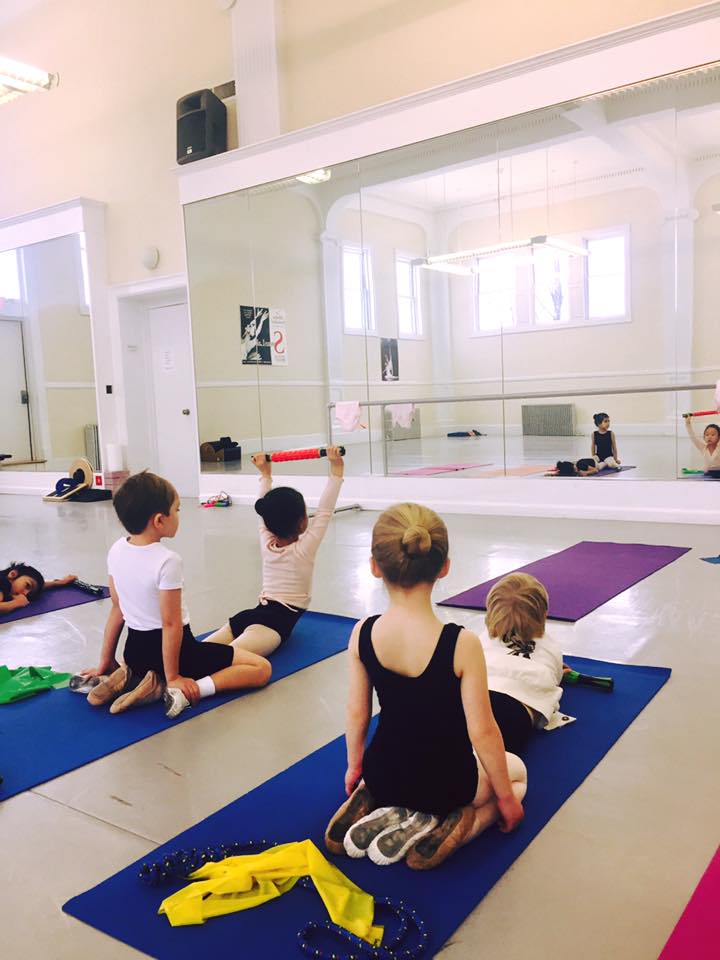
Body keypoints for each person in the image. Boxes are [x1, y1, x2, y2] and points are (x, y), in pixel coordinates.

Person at [325, 503, 526, 871]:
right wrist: (506, 800)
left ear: (374, 567)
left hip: (382, 774)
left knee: (389, 771)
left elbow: (357, 712)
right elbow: (483, 731)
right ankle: (463, 823)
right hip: (447, 785)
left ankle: (369, 799)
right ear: (444, 567)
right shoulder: (461, 644)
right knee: (518, 774)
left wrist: (355, 768)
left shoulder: (362, 633)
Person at [80, 471, 271, 718]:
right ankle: (177, 688)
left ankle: (134, 674)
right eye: (177, 510)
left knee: (193, 654)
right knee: (261, 668)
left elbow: (117, 608)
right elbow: (171, 624)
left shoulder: (116, 549)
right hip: (179, 656)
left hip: (134, 652)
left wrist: (105, 660)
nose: (180, 515)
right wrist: (174, 677)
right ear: (159, 520)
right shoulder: (167, 561)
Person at [203, 447, 345, 656]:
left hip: (251, 614)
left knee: (198, 654)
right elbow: (325, 510)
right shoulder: (304, 549)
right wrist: (337, 468)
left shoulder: (266, 542)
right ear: (303, 522)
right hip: (274, 623)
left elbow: (264, 510)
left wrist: (265, 474)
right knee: (220, 660)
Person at [482, 573, 564, 755]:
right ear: (544, 614)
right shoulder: (551, 647)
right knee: (491, 758)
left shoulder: (483, 639)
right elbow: (556, 677)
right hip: (513, 712)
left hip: (474, 699)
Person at [0, 562, 77, 615]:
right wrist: (17, 603)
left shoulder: (11, 581)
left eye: (29, 594)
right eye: (27, 585)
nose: (25, 593)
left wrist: (59, 582)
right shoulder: (4, 582)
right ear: (13, 574)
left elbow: (37, 586)